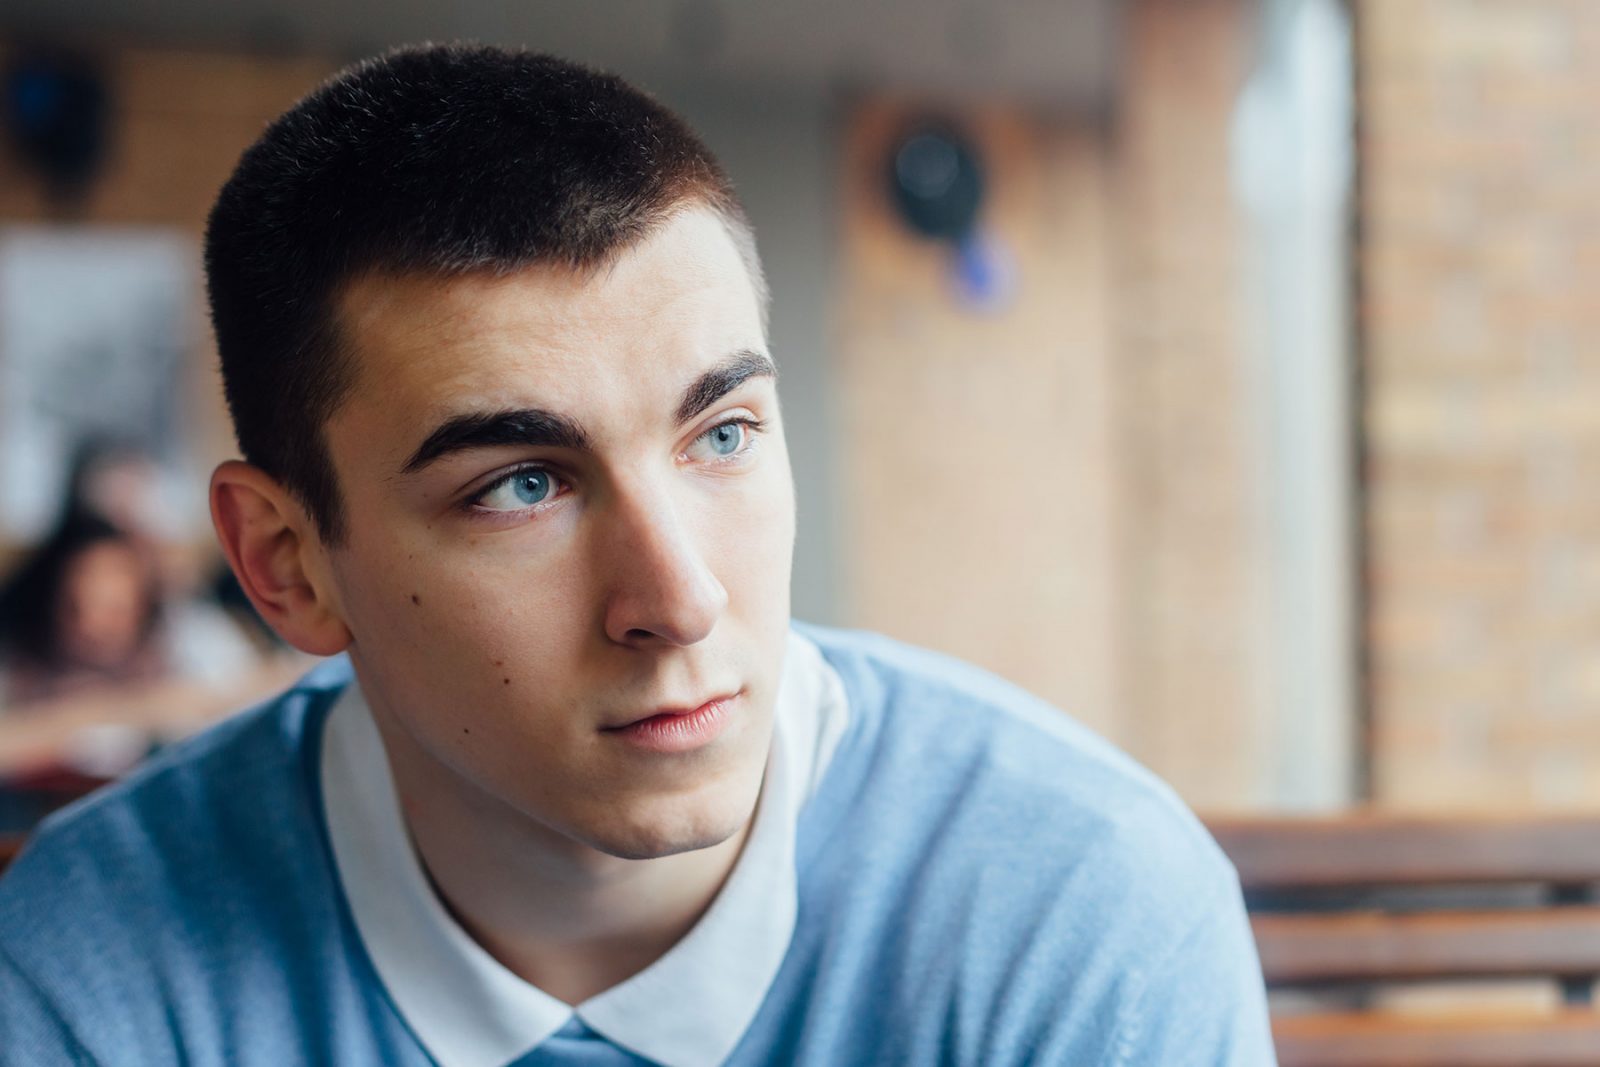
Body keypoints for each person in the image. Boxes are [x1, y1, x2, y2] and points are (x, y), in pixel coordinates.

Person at [0, 44, 1275, 1065]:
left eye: (721, 433)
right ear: (286, 565)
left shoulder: (1079, 911)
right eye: (523, 484)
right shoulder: (87, 965)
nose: (680, 597)